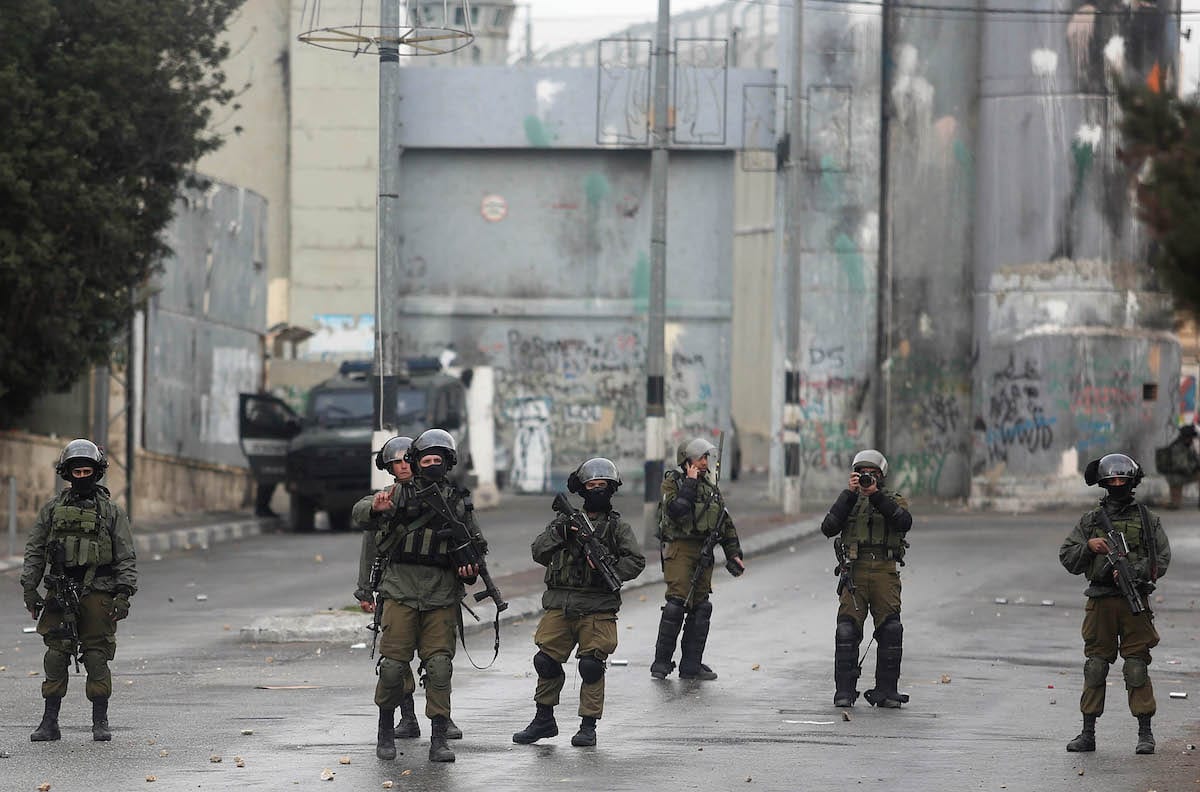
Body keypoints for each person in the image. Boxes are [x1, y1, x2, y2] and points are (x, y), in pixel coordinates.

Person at [351, 429, 486, 763]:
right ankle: (386, 730)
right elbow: (361, 513)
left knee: (439, 667)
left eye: (438, 460)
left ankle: (439, 737)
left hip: (441, 595)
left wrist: (469, 569)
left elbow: (476, 545)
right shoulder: (396, 494)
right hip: (400, 592)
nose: (432, 465)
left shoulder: (457, 501)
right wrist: (376, 508)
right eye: (426, 460)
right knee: (394, 667)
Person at [512, 458, 646, 747]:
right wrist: (560, 534)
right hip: (560, 603)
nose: (597, 490)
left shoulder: (617, 527)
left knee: (591, 666)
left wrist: (607, 570)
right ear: (581, 490)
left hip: (598, 606)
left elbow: (636, 561)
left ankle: (588, 726)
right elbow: (538, 551)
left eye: (603, 486)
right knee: (545, 661)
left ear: (611, 489)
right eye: (591, 485)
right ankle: (543, 719)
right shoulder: (565, 522)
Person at [20, 439, 137, 742]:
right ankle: (49, 722)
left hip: (99, 591)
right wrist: (30, 589)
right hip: (60, 589)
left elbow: (125, 556)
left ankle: (100, 720)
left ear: (96, 473)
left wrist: (123, 594)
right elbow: (34, 550)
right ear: (67, 473)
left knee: (97, 655)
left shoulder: (111, 512)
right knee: (56, 655)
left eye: (87, 470)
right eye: (77, 471)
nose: (82, 476)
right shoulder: (52, 510)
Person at [1060, 453, 1171, 755]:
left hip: (1134, 601)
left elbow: (1161, 559)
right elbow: (1067, 557)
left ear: (1132, 482)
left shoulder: (1148, 519)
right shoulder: (1091, 521)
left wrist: (1133, 571)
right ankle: (1087, 733)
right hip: (1100, 602)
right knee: (1095, 666)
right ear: (1104, 483)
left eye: (1123, 479)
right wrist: (1089, 547)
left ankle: (1145, 734)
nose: (1118, 484)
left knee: (1136, 666)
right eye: (1113, 480)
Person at [819, 449, 913, 709]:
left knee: (891, 630)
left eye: (871, 475)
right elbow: (828, 528)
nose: (866, 479)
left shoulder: (892, 499)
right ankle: (844, 692)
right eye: (861, 474)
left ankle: (887, 691)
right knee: (846, 630)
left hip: (884, 569)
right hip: (855, 570)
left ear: (881, 477)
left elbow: (904, 522)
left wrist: (876, 497)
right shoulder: (849, 500)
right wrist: (849, 495)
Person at [650, 437, 745, 681]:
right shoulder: (674, 482)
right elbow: (676, 510)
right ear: (687, 460)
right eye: (700, 458)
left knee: (701, 608)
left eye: (706, 458)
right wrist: (690, 484)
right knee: (676, 604)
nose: (705, 463)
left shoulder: (710, 487)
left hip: (703, 552)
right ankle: (661, 663)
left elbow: (723, 522)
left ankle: (691, 665)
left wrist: (733, 553)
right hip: (680, 549)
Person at [1161, 424, 1200, 510]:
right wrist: (1195, 466)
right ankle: (1170, 503)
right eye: (1191, 438)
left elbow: (1193, 459)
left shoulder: (1186, 445)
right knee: (1175, 504)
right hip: (1176, 477)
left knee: (1175, 505)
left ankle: (1172, 503)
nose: (1192, 440)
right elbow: (1183, 466)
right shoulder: (1178, 447)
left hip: (1179, 475)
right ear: (1186, 437)